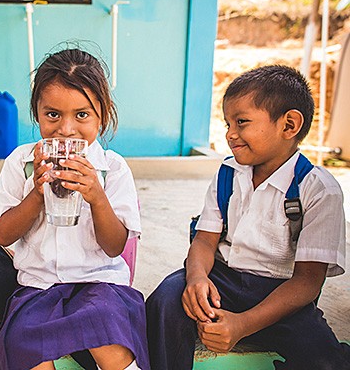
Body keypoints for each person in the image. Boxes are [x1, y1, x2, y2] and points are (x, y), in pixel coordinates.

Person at [145, 65, 350, 370]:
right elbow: (204, 239)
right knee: (165, 303)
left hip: (283, 296)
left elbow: (307, 282)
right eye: (228, 123)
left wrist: (243, 325)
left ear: (289, 125)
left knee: (323, 359)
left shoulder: (318, 190)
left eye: (241, 122)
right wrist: (197, 278)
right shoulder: (229, 173)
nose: (230, 134)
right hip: (221, 280)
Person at [0, 47, 150, 370]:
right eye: (53, 115)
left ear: (102, 115)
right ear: (37, 113)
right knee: (22, 344)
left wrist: (96, 196)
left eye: (82, 115)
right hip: (38, 287)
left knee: (108, 330)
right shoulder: (20, 164)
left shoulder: (112, 169)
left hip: (99, 285)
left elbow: (115, 245)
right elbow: (3, 234)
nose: (66, 129)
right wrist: (36, 193)